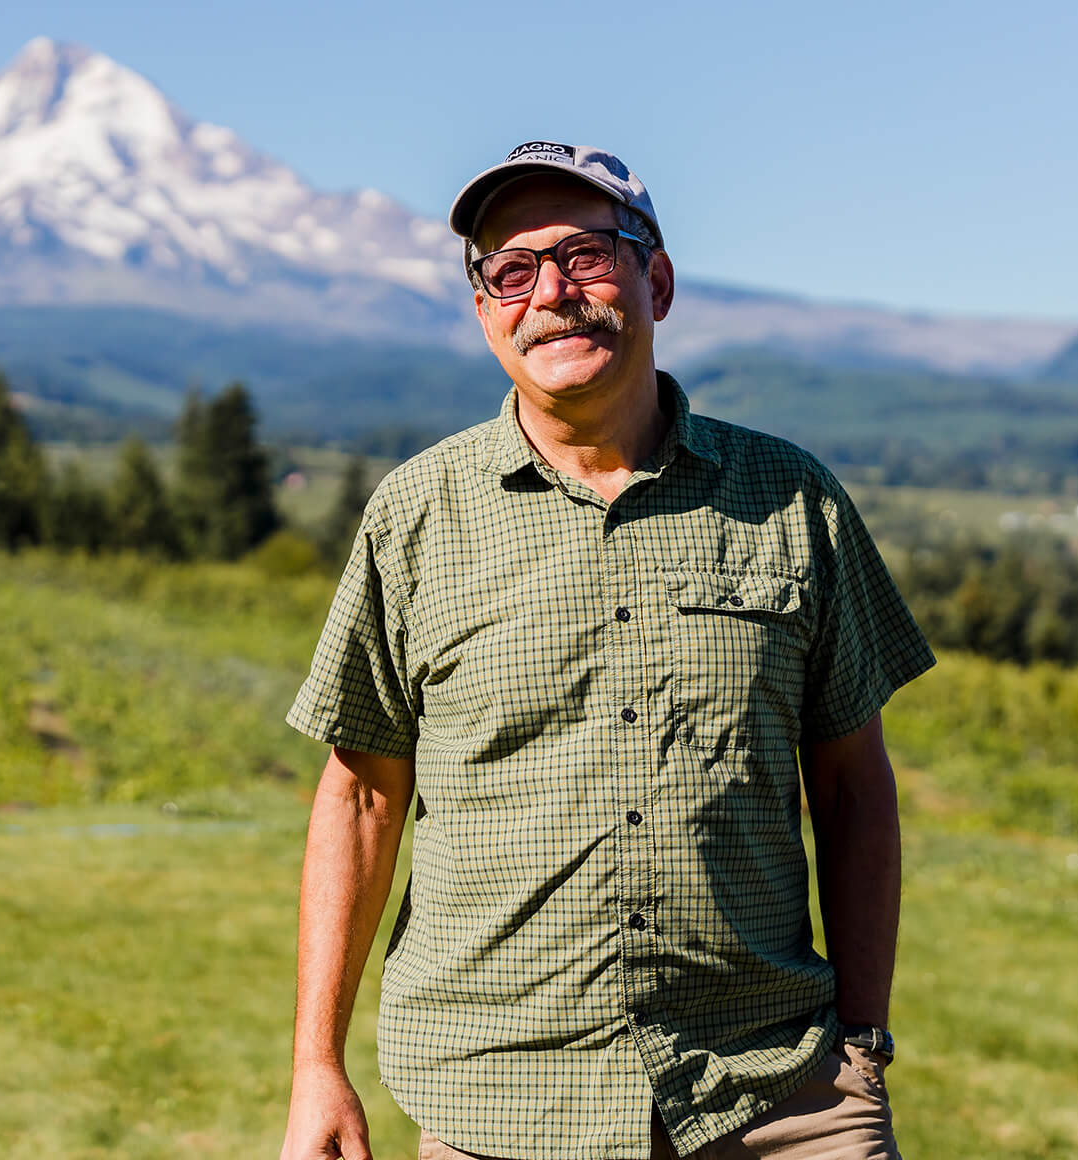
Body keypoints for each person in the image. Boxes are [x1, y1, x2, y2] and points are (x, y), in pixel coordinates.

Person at [279, 141, 935, 1160]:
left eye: (586, 254)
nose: (551, 292)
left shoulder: (792, 500)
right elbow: (360, 796)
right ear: (486, 308)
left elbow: (855, 785)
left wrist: (862, 1043)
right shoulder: (414, 517)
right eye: (511, 269)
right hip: (500, 1102)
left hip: (774, 1090)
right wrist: (317, 1063)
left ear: (656, 280)